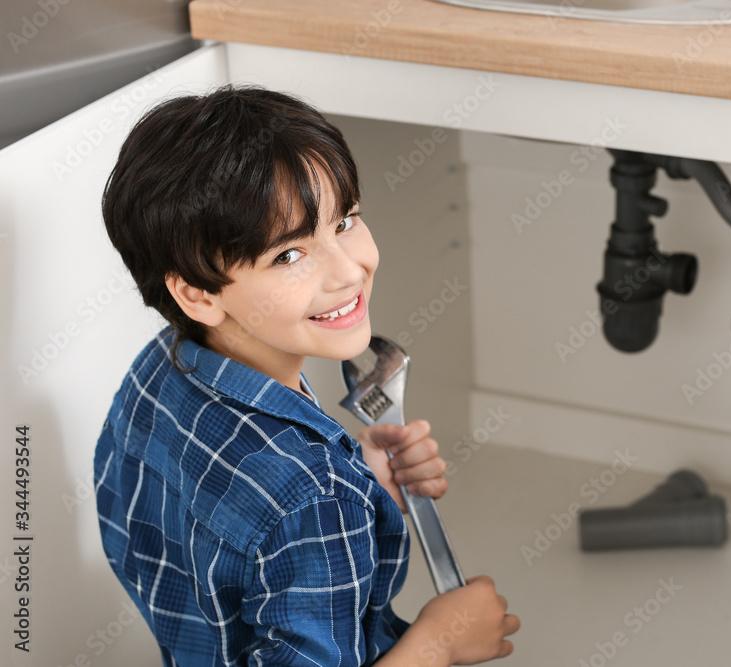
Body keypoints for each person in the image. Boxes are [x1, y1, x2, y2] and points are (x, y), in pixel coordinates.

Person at [93, 86, 519, 666]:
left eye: (345, 221)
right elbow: (290, 504)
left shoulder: (160, 366)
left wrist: (359, 473)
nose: (349, 270)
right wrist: (439, 644)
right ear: (197, 292)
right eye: (288, 255)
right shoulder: (312, 500)